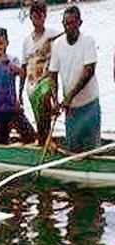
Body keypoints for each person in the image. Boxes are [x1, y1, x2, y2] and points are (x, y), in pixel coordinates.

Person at [49, 5, 100, 152]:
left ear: (79, 23)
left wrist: (70, 96)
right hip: (71, 110)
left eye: (72, 23)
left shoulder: (88, 42)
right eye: (66, 23)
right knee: (73, 149)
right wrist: (56, 100)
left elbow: (88, 72)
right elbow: (53, 74)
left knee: (92, 150)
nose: (68, 27)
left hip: (89, 106)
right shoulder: (58, 45)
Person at [0, 28, 35, 145]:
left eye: (1, 43)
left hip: (12, 108)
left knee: (31, 136)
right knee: (0, 141)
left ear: (7, 43)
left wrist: (6, 62)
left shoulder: (12, 59)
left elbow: (22, 73)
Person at [20, 1, 59, 145]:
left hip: (45, 80)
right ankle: (43, 140)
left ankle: (47, 138)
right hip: (31, 85)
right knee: (40, 118)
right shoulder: (26, 42)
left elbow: (66, 32)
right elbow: (23, 68)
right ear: (30, 17)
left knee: (44, 100)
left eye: (41, 16)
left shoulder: (51, 34)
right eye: (35, 17)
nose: (38, 20)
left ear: (45, 16)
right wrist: (19, 96)